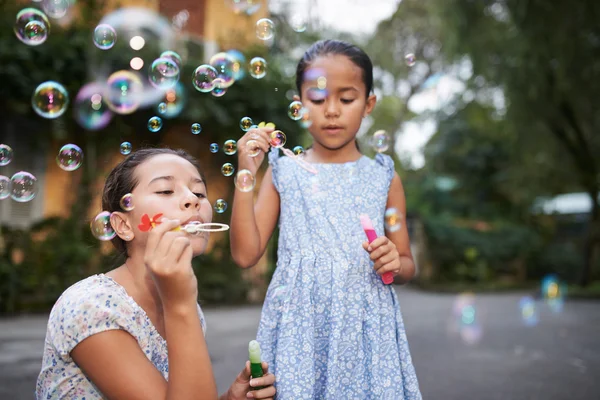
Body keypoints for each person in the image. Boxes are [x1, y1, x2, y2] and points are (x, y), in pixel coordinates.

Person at [230, 40, 422, 399]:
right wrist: (246, 174)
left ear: (368, 104)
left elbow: (407, 264)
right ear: (300, 104)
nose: (331, 111)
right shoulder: (283, 172)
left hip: (366, 331)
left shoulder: (384, 177)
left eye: (346, 99)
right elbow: (245, 254)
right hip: (298, 329)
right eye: (317, 99)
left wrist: (395, 262)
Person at [36, 148, 276, 400]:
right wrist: (180, 305)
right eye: (165, 191)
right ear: (123, 225)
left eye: (199, 193)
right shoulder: (90, 307)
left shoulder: (184, 306)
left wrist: (230, 398)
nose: (192, 200)